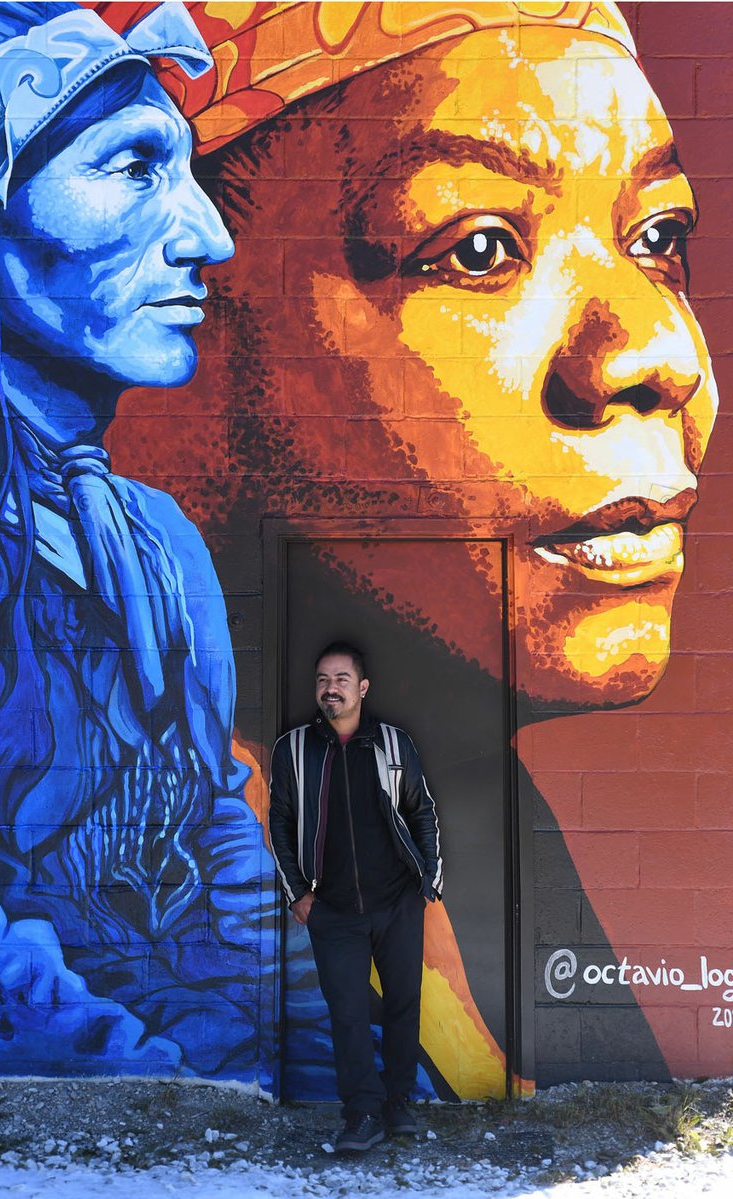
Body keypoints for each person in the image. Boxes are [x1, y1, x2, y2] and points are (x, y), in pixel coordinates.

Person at [163, 0, 719, 1093]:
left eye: (655, 238)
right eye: (477, 248)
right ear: (170, 320)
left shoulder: (476, 812)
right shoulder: (136, 885)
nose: (656, 352)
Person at [0, 1, 274, 1084]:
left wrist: (324, 1050)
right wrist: (182, 1103)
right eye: (132, 167)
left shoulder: (161, 544)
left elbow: (217, 836)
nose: (207, 236)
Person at [269, 641, 442, 1151]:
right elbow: (277, 823)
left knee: (403, 1005)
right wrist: (298, 895)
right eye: (323, 680)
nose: (331, 689)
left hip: (396, 903)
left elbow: (422, 810)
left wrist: (427, 882)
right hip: (333, 910)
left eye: (341, 679)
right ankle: (362, 1114)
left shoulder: (393, 744)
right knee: (346, 1013)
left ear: (362, 688)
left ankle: (398, 1104)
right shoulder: (293, 749)